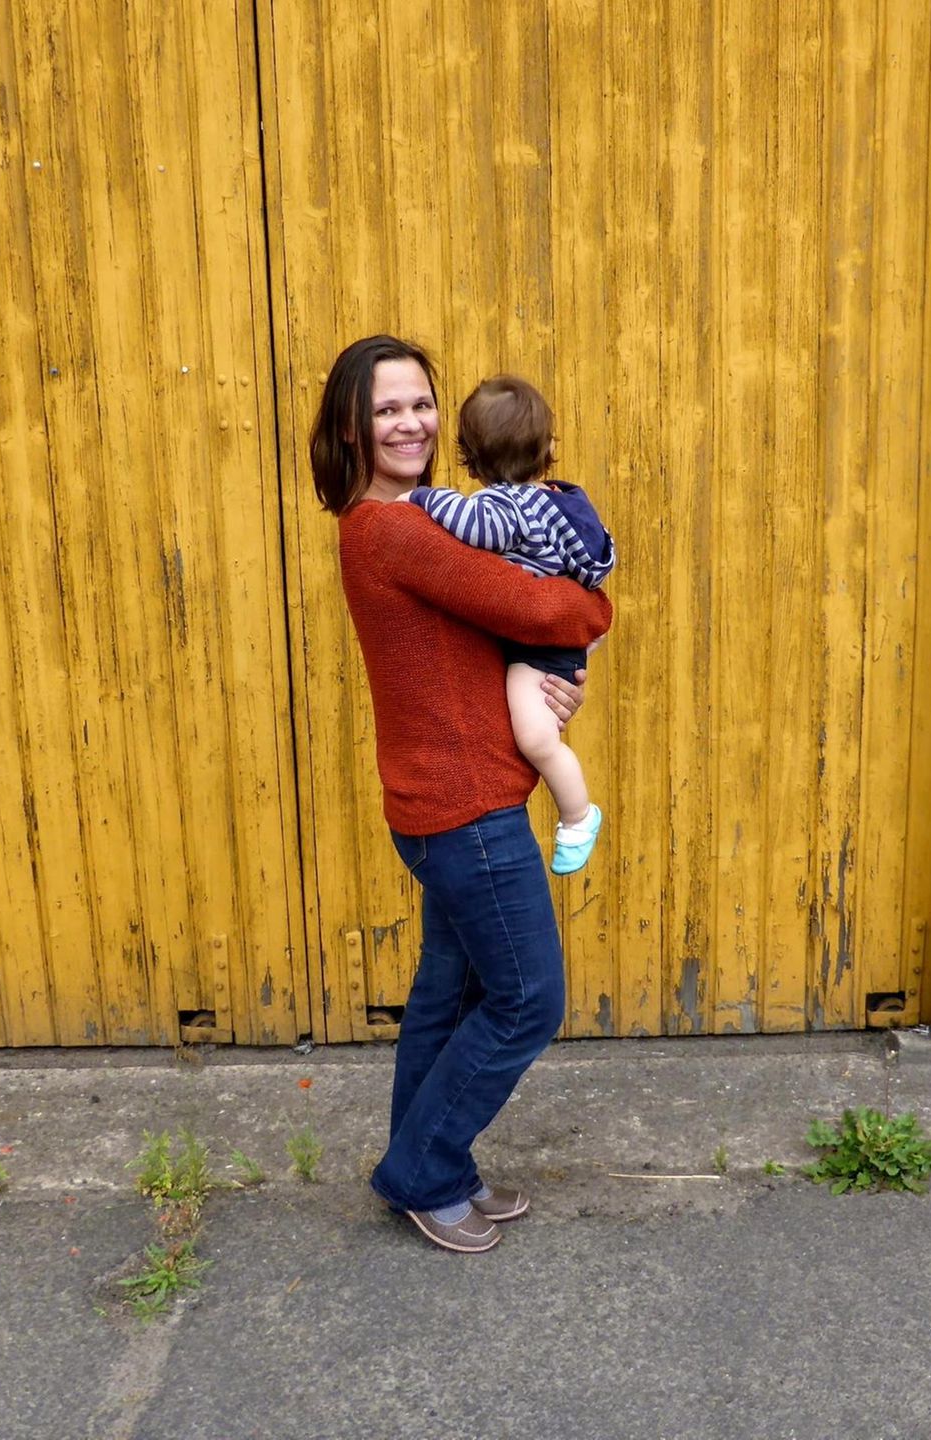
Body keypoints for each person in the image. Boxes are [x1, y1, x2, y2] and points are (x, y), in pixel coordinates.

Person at [309, 335, 613, 1254]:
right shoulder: (398, 529)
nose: (410, 423)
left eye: (420, 404)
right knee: (528, 1000)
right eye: (386, 409)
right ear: (353, 429)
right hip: (465, 811)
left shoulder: (420, 520)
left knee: (448, 994)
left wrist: (542, 685)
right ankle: (425, 1171)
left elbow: (478, 641)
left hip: (446, 803)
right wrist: (592, 615)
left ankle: (432, 1165)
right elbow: (547, 610)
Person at [403, 374, 614, 875]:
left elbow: (476, 526)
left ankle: (578, 815)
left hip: (535, 653)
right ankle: (575, 813)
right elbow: (598, 563)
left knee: (538, 739)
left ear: (471, 458)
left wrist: (421, 499)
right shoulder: (560, 501)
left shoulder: (506, 506)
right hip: (553, 649)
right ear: (548, 446)